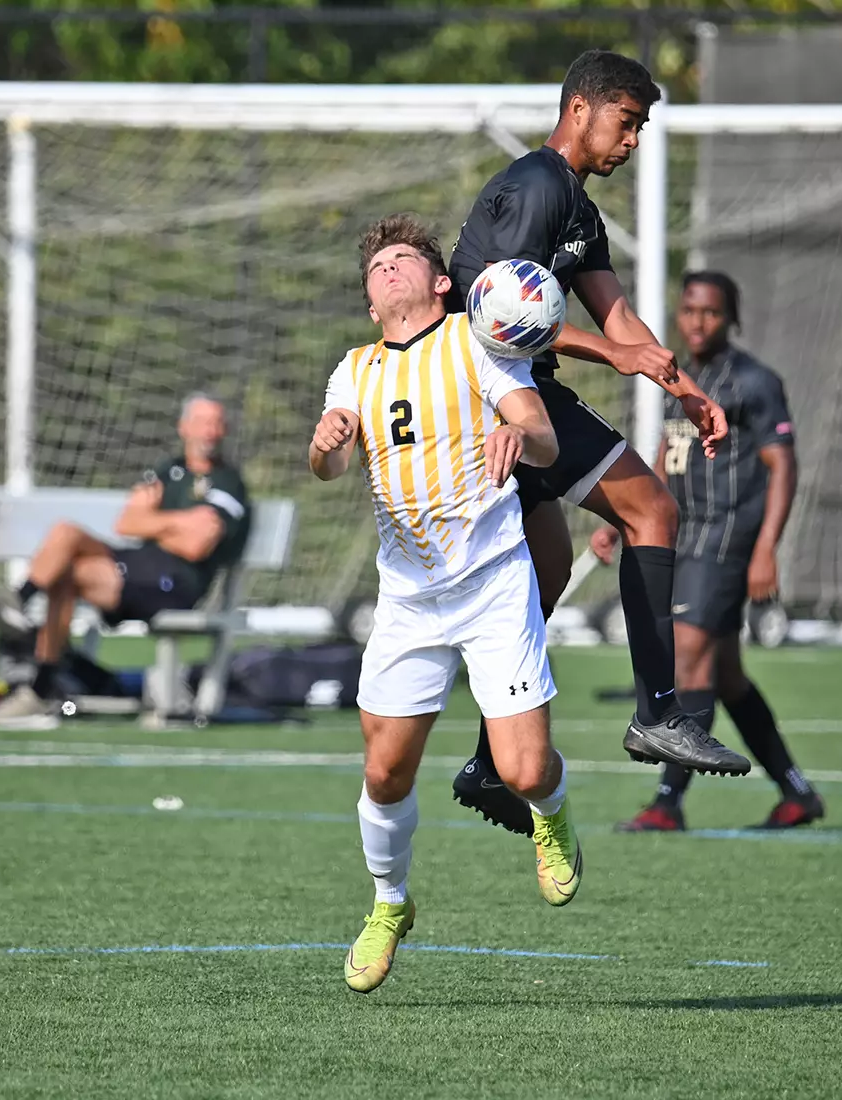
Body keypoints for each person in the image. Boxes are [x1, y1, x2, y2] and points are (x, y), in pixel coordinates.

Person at [445, 48, 749, 836]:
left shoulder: (576, 207)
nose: (634, 140)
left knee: (541, 580)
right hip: (500, 401)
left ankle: (489, 762)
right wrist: (617, 356)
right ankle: (658, 712)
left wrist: (687, 393)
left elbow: (617, 317)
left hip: (519, 400)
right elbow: (493, 316)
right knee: (652, 512)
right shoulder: (538, 185)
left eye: (642, 125)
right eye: (628, 120)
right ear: (580, 108)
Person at [312, 214, 576, 994]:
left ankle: (552, 817)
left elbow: (542, 433)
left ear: (440, 282)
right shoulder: (354, 368)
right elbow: (325, 468)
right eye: (378, 265)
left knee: (525, 772)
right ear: (369, 300)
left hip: (494, 580)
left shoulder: (473, 340)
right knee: (385, 772)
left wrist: (517, 435)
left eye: (405, 260)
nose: (389, 268)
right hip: (408, 598)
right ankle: (390, 905)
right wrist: (327, 444)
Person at [599, 272, 825, 832]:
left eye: (711, 313)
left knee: (690, 660)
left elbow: (783, 465)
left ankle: (667, 804)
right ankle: (797, 793)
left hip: (726, 540)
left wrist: (767, 548)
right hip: (685, 536)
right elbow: (667, 453)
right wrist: (622, 514)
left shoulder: (755, 380)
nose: (698, 322)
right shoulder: (682, 375)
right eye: (690, 311)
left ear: (731, 318)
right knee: (726, 677)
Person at [0, 394, 251, 722]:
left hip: (174, 583)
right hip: (138, 566)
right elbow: (127, 522)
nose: (210, 431)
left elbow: (195, 547)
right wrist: (182, 521)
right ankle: (18, 607)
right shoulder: (169, 471)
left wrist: (157, 520)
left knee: (69, 572)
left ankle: (40, 687)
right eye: (203, 422)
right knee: (65, 534)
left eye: (217, 423)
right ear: (184, 427)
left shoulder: (228, 483)